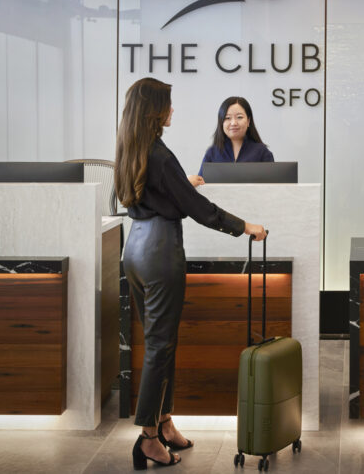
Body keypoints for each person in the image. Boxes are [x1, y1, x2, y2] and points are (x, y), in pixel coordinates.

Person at [114, 78, 267, 469]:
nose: (173, 110)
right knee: (161, 345)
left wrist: (183, 186)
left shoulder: (131, 147)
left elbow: (155, 193)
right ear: (155, 110)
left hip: (135, 248)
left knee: (160, 342)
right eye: (168, 104)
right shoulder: (161, 155)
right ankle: (148, 437)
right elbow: (198, 209)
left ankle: (164, 422)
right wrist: (243, 225)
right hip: (161, 252)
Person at [189, 96, 273, 187]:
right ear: (221, 122)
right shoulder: (212, 152)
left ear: (248, 121)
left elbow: (273, 189)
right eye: (227, 118)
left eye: (239, 117)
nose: (233, 123)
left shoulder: (262, 152)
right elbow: (200, 186)